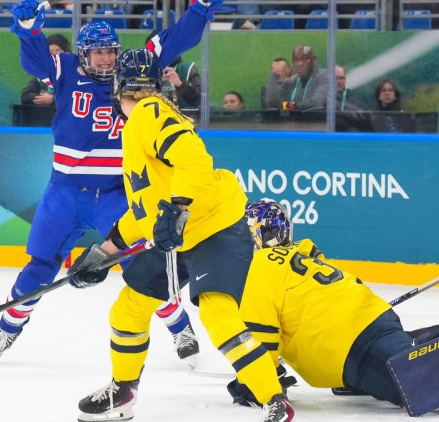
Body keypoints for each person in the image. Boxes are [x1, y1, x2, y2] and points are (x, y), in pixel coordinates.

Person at [0, 0, 225, 365]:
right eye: (98, 53)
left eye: (111, 51)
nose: (107, 59)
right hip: (63, 194)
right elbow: (36, 58)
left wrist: (198, 10)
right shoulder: (65, 69)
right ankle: (6, 330)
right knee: (40, 263)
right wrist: (28, 31)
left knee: (142, 267)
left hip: (115, 195)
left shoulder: (132, 72)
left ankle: (181, 331)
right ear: (83, 53)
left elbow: (176, 40)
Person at [68, 48, 292, 422]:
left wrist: (177, 209)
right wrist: (104, 251)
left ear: (118, 89)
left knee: (220, 315)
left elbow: (194, 160)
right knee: (128, 308)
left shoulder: (148, 113)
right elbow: (146, 205)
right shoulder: (144, 121)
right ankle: (122, 393)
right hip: (178, 233)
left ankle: (274, 400)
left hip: (214, 227)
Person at [225, 198, 439, 416]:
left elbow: (262, 340)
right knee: (401, 354)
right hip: (372, 316)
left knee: (417, 387)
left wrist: (254, 383)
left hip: (347, 344)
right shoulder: (304, 254)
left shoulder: (257, 271)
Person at [264, 45, 328, 111]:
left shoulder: (324, 76)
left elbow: (316, 103)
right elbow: (273, 104)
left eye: (305, 59)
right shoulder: (291, 81)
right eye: (296, 60)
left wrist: (291, 106)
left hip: (317, 120)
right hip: (293, 121)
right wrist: (274, 74)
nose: (299, 64)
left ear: (314, 59)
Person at [20, 33, 70, 107]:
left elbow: (74, 98)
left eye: (58, 51)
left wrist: (53, 99)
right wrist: (42, 98)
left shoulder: (73, 72)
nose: (54, 54)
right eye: (50, 51)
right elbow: (25, 95)